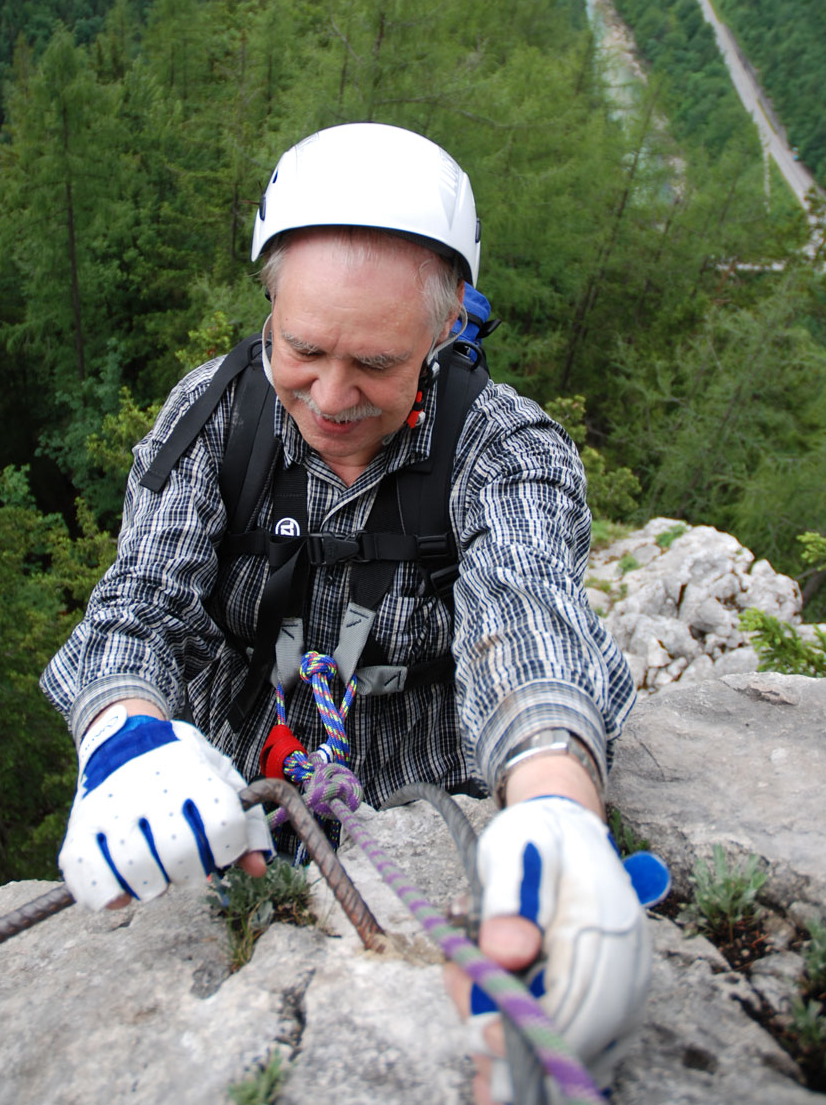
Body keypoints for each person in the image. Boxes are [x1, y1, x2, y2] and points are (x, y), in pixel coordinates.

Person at [41, 122, 649, 1100]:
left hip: (431, 784)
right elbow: (140, 598)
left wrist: (554, 808)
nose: (329, 397)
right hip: (229, 787)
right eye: (303, 349)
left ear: (445, 333)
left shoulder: (502, 447)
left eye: (373, 362)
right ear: (269, 310)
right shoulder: (214, 418)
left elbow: (529, 613)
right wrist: (120, 738)